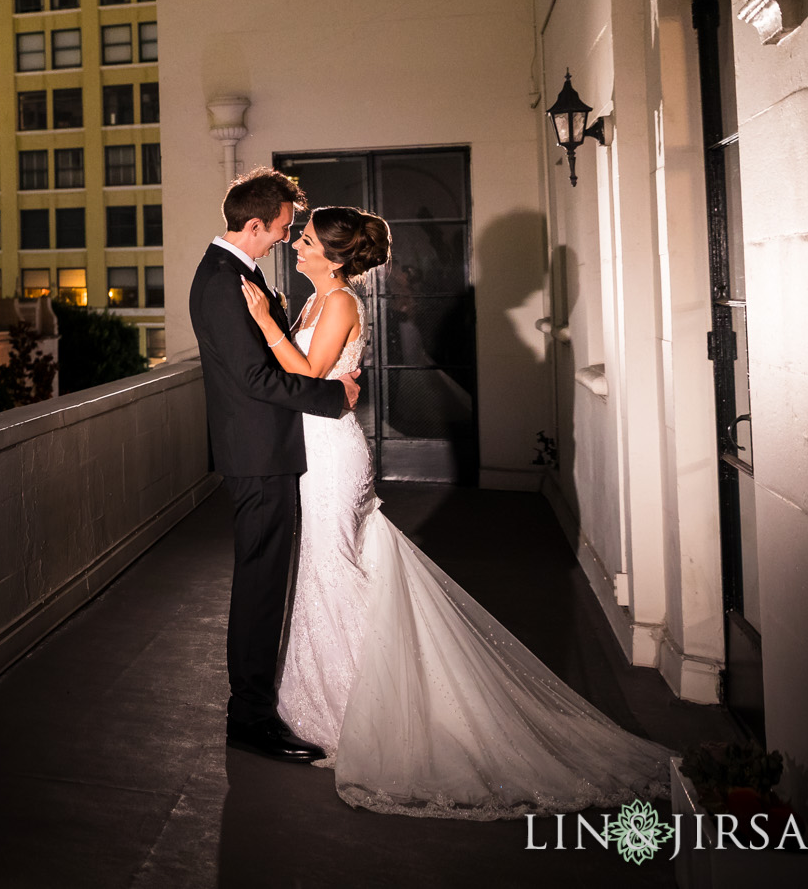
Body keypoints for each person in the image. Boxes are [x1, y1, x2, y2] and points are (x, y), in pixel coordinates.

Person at [242, 205, 673, 817]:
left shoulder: (338, 303)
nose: (299, 246)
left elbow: (311, 374)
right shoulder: (314, 301)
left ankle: (368, 711)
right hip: (312, 447)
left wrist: (263, 324)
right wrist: (280, 322)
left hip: (332, 457)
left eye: (308, 240)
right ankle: (326, 701)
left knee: (333, 566)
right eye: (302, 237)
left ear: (337, 257)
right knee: (325, 568)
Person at [188, 168, 359, 765]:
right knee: (260, 586)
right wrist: (332, 398)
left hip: (267, 449)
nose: (290, 236)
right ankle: (251, 718)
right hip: (256, 455)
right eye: (286, 227)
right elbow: (256, 378)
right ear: (255, 224)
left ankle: (258, 708)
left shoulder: (241, 274)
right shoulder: (221, 282)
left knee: (266, 582)